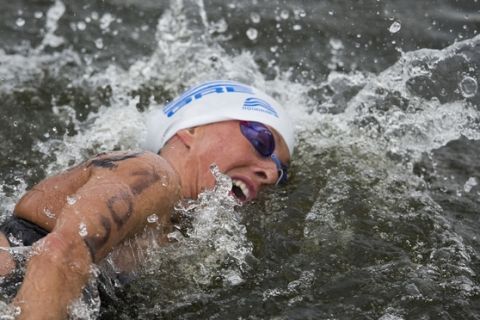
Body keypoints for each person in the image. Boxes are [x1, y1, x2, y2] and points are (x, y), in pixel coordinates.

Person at [0, 80, 294, 319]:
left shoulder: (175, 242)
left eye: (280, 173)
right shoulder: (152, 173)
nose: (269, 172)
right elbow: (58, 252)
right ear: (191, 129)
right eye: (261, 139)